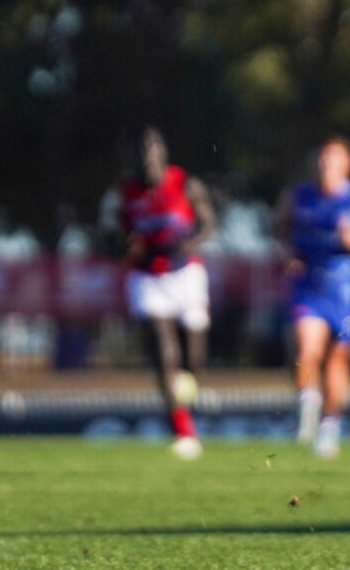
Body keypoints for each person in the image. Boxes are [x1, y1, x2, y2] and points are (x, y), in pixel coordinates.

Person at [98, 125, 217, 460]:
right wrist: (124, 244)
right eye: (141, 149)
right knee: (164, 351)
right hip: (147, 277)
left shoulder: (185, 184)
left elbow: (208, 224)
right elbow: (107, 236)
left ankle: (186, 399)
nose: (148, 155)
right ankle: (182, 429)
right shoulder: (121, 194)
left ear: (163, 152)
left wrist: (188, 243)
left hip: (186, 274)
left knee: (192, 361)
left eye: (153, 147)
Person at [272, 135, 350, 458]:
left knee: (337, 361)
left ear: (346, 165)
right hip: (307, 285)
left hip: (343, 290)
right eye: (321, 158)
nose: (325, 164)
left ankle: (329, 427)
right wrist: (286, 253)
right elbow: (277, 230)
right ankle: (306, 405)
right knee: (306, 349)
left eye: (332, 158)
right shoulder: (296, 197)